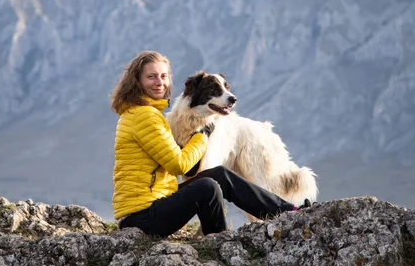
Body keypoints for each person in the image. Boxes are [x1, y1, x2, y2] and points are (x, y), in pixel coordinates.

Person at [110, 50, 311, 238]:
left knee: (218, 176)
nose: (159, 82)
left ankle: (288, 211)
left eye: (163, 76)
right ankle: (221, 241)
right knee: (207, 186)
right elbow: (179, 165)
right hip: (141, 218)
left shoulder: (147, 113)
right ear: (137, 81)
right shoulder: (144, 116)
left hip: (153, 208)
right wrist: (202, 136)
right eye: (151, 76)